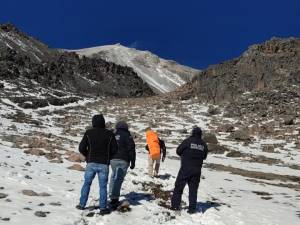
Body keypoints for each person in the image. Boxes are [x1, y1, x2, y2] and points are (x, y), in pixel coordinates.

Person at [76, 114, 118, 215]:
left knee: (87, 183)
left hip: (91, 163)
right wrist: (108, 158)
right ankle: (103, 208)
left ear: (93, 122)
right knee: (103, 187)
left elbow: (81, 148)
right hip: (104, 164)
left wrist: (87, 157)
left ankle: (82, 204)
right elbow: (115, 150)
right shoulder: (110, 134)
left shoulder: (88, 133)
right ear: (103, 123)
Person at [171, 126, 208, 214]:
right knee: (193, 190)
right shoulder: (203, 144)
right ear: (200, 134)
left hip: (185, 169)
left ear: (192, 133)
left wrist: (186, 154)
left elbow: (178, 150)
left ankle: (175, 206)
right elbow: (204, 156)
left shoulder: (188, 141)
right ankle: (192, 209)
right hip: (197, 170)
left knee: (179, 187)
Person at [109, 121, 136, 209]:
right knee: (119, 179)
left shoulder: (113, 135)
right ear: (126, 128)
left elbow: (109, 147)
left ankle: (111, 194)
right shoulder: (128, 136)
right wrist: (133, 162)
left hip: (113, 159)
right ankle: (114, 198)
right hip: (124, 159)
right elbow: (131, 149)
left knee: (113, 176)